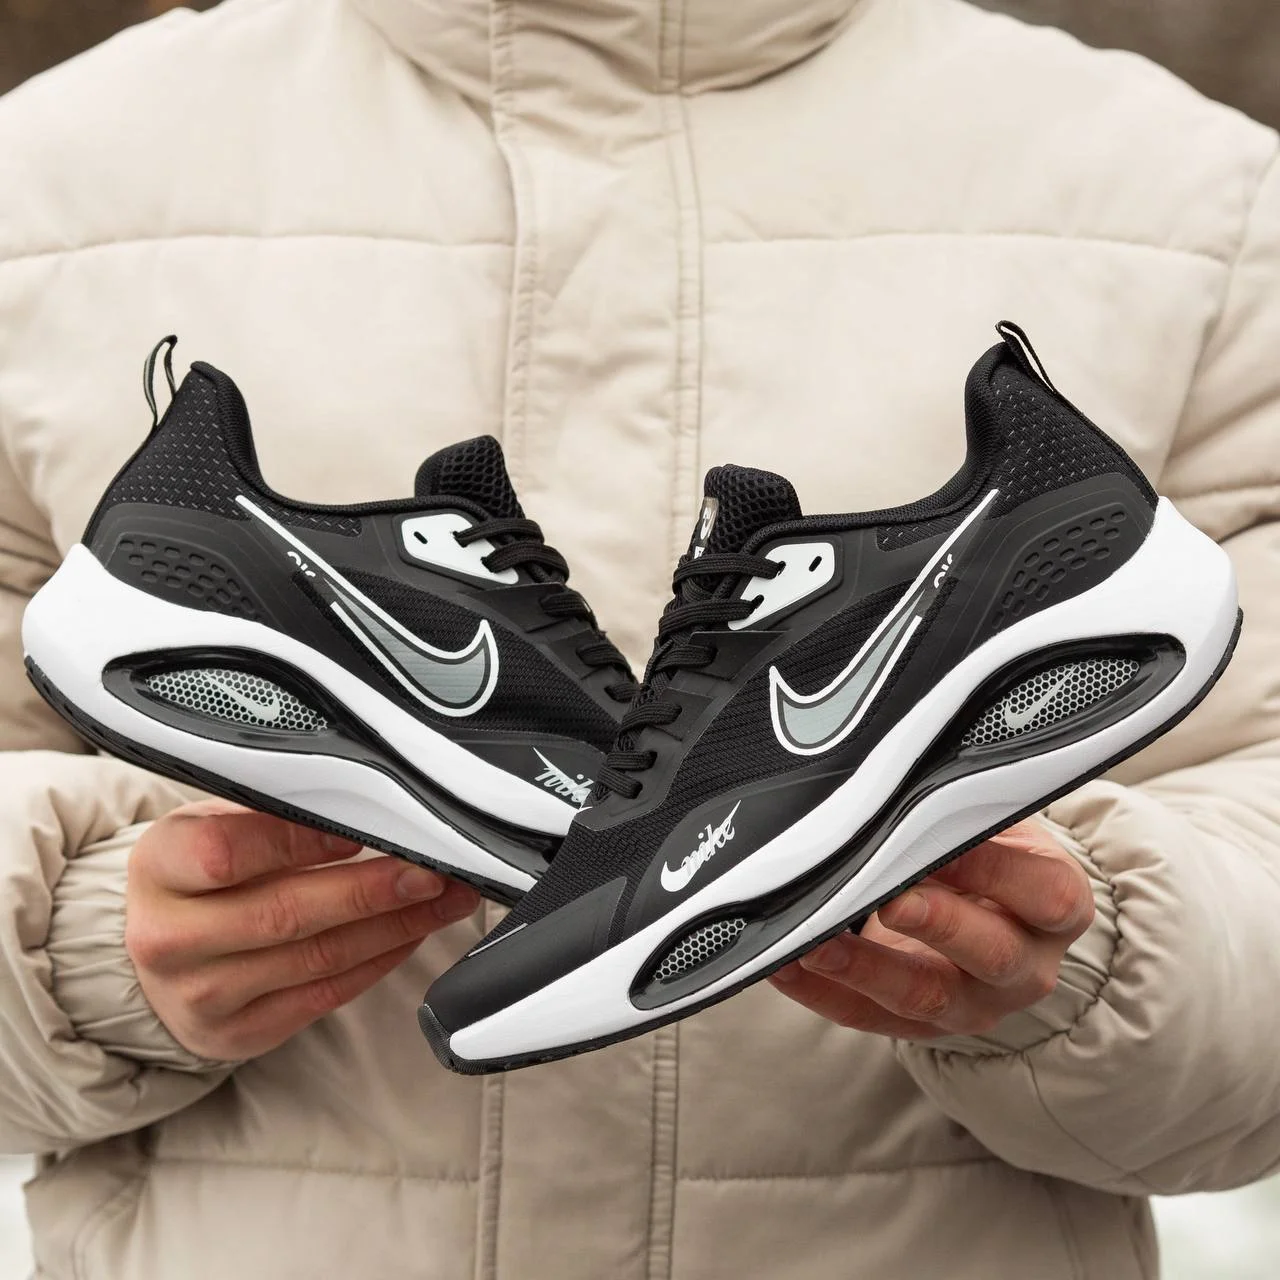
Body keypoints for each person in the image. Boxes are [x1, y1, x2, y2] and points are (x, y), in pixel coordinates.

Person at [0, 0, 1277, 1275]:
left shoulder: (1198, 200)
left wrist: (1091, 962)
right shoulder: (43, 183)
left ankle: (773, 717)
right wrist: (84, 949)